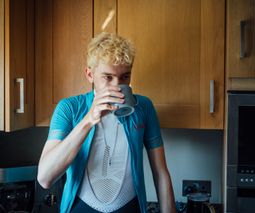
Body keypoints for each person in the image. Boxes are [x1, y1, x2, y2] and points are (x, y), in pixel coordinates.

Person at [37, 32, 176, 213]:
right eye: (108, 77)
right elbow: (45, 178)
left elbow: (161, 173)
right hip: (80, 208)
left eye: (125, 77)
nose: (117, 85)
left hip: (130, 207)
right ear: (90, 74)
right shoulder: (69, 108)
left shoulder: (144, 107)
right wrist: (88, 120)